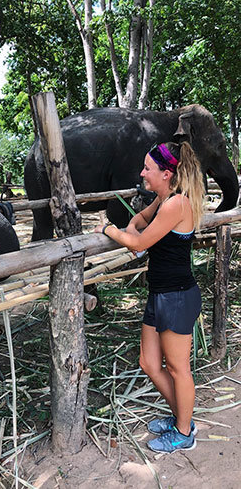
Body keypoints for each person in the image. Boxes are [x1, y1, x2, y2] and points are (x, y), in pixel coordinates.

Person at [95, 141, 205, 454]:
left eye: (148, 168)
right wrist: (130, 232)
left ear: (167, 173)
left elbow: (137, 241)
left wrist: (108, 229)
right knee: (148, 363)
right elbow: (139, 226)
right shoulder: (163, 200)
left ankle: (184, 432)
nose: (142, 173)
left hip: (177, 297)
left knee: (178, 369)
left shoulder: (176, 205)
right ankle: (182, 418)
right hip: (160, 294)